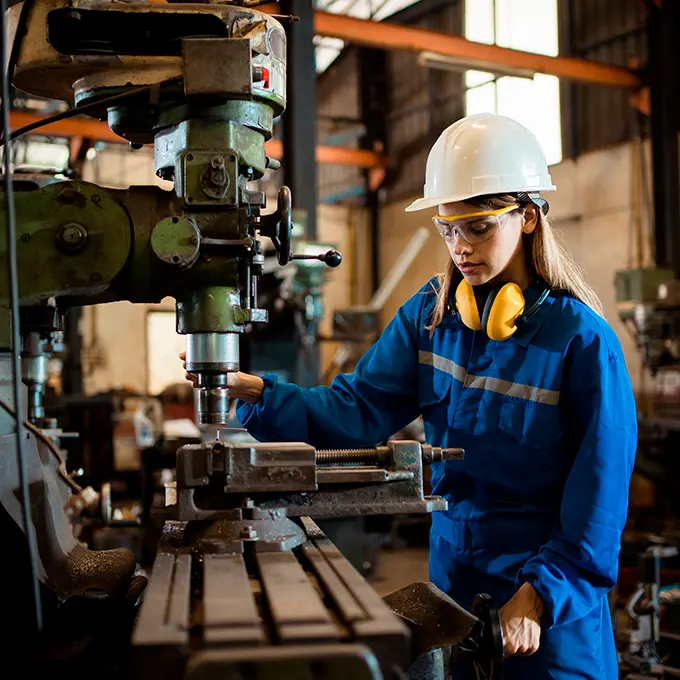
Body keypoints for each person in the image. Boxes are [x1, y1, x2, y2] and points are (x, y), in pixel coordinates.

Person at [183, 112, 637, 679]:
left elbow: (599, 500)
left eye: (477, 227)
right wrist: (260, 395)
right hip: (457, 588)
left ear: (526, 217)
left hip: (546, 617)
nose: (460, 247)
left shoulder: (583, 342)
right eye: (448, 229)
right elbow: (356, 410)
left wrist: (544, 596)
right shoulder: (432, 316)